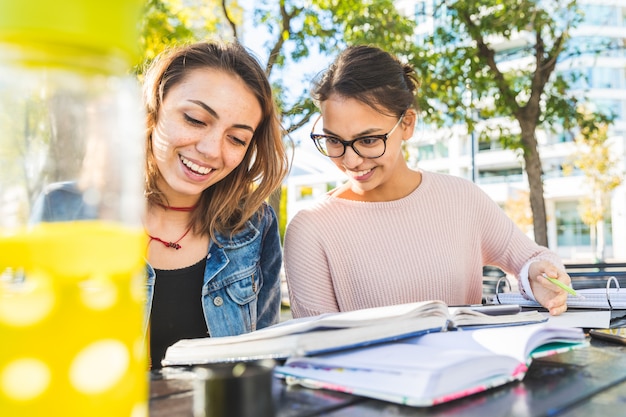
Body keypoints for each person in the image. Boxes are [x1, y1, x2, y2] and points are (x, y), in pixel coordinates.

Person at [32, 41, 289, 367]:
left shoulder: (254, 225)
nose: (211, 150)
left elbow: (263, 361)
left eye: (236, 138)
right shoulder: (64, 209)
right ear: (153, 108)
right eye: (195, 119)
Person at [283, 45, 570, 319]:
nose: (351, 160)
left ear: (407, 123)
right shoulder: (311, 229)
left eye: (368, 140)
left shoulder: (462, 200)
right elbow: (317, 347)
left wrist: (541, 276)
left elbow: (534, 258)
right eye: (334, 140)